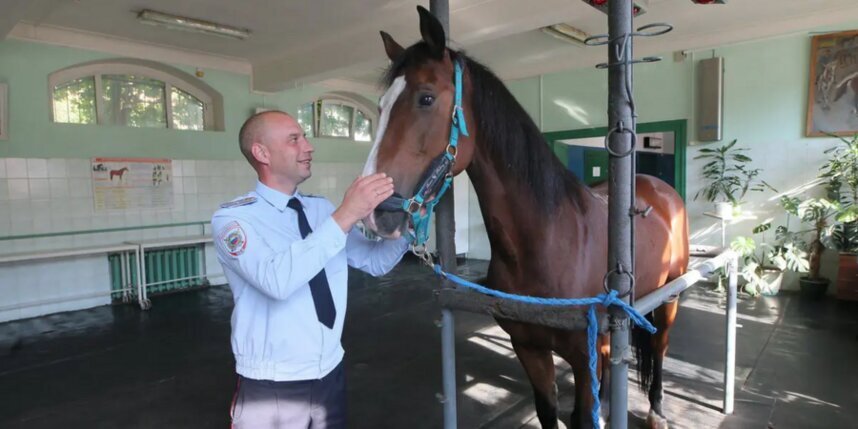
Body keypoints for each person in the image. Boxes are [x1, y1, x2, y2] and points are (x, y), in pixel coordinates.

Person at [211, 110, 409, 428]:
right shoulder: (233, 220)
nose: (309, 146)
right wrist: (347, 214)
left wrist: (410, 221)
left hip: (330, 372)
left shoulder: (320, 210)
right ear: (262, 153)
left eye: (304, 136)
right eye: (294, 139)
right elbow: (277, 280)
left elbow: (375, 262)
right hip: (272, 384)